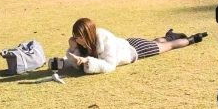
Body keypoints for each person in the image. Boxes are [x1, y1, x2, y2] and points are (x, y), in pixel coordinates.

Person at [65, 18, 207, 74]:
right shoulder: (83, 44)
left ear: (88, 34)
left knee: (168, 46)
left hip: (133, 50)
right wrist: (73, 49)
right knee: (155, 42)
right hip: (124, 43)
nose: (76, 39)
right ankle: (169, 35)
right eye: (75, 36)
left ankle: (191, 39)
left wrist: (87, 61)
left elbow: (109, 65)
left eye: (79, 36)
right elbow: (77, 61)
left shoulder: (104, 38)